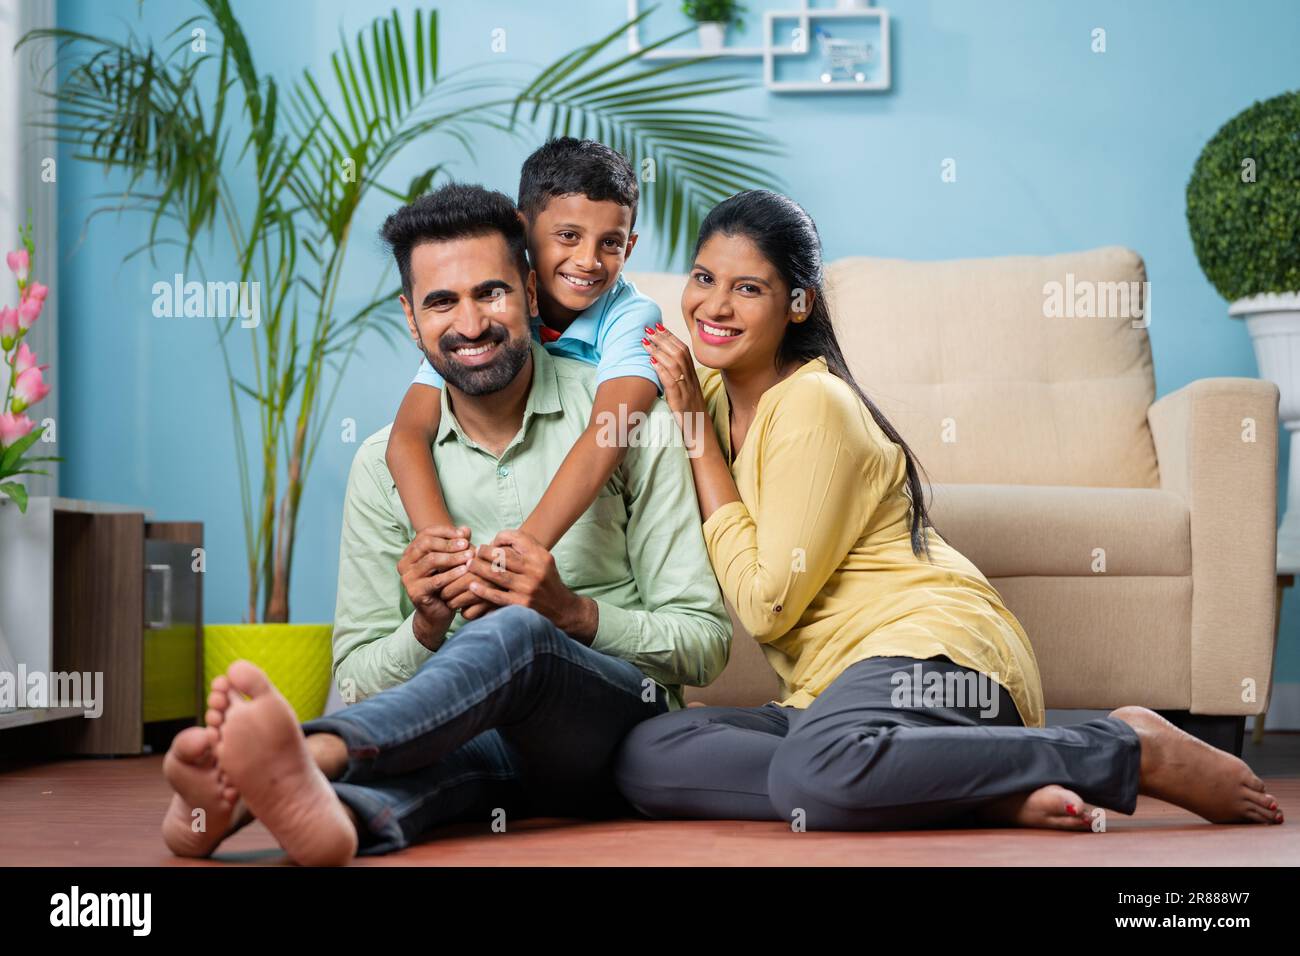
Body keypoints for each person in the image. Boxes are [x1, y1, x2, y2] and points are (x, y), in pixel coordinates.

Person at [614, 188, 1285, 832]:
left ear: (797, 304)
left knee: (813, 773)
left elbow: (766, 605)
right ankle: (960, 785)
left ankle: (1122, 748)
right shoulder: (701, 386)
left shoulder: (813, 405)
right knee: (649, 755)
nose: (715, 305)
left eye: (748, 288)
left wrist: (695, 431)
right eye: (704, 277)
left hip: (933, 661)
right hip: (827, 702)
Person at [159, 184, 730, 864]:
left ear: (528, 288)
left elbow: (705, 643)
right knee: (437, 771)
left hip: (609, 733)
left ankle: (312, 751)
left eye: (490, 293)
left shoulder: (632, 425)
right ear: (410, 316)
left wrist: (572, 613)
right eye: (441, 301)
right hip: (467, 738)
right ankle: (270, 801)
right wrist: (425, 627)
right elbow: (363, 675)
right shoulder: (383, 466)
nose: (470, 323)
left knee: (518, 629)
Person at [384, 139, 663, 628]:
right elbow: (407, 436)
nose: (589, 261)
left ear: (630, 246)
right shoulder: (487, 319)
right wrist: (450, 561)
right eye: (568, 236)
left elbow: (612, 429)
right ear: (523, 229)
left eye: (610, 243)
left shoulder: (631, 316)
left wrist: (516, 557)